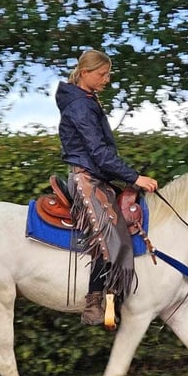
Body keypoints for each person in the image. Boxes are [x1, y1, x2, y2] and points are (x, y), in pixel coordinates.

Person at [55, 49, 158, 326]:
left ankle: (116, 296)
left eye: (108, 74)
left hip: (97, 177)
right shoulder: (79, 106)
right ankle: (93, 302)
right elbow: (99, 153)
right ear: (85, 73)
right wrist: (135, 177)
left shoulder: (86, 101)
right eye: (102, 74)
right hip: (85, 179)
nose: (107, 79)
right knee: (108, 236)